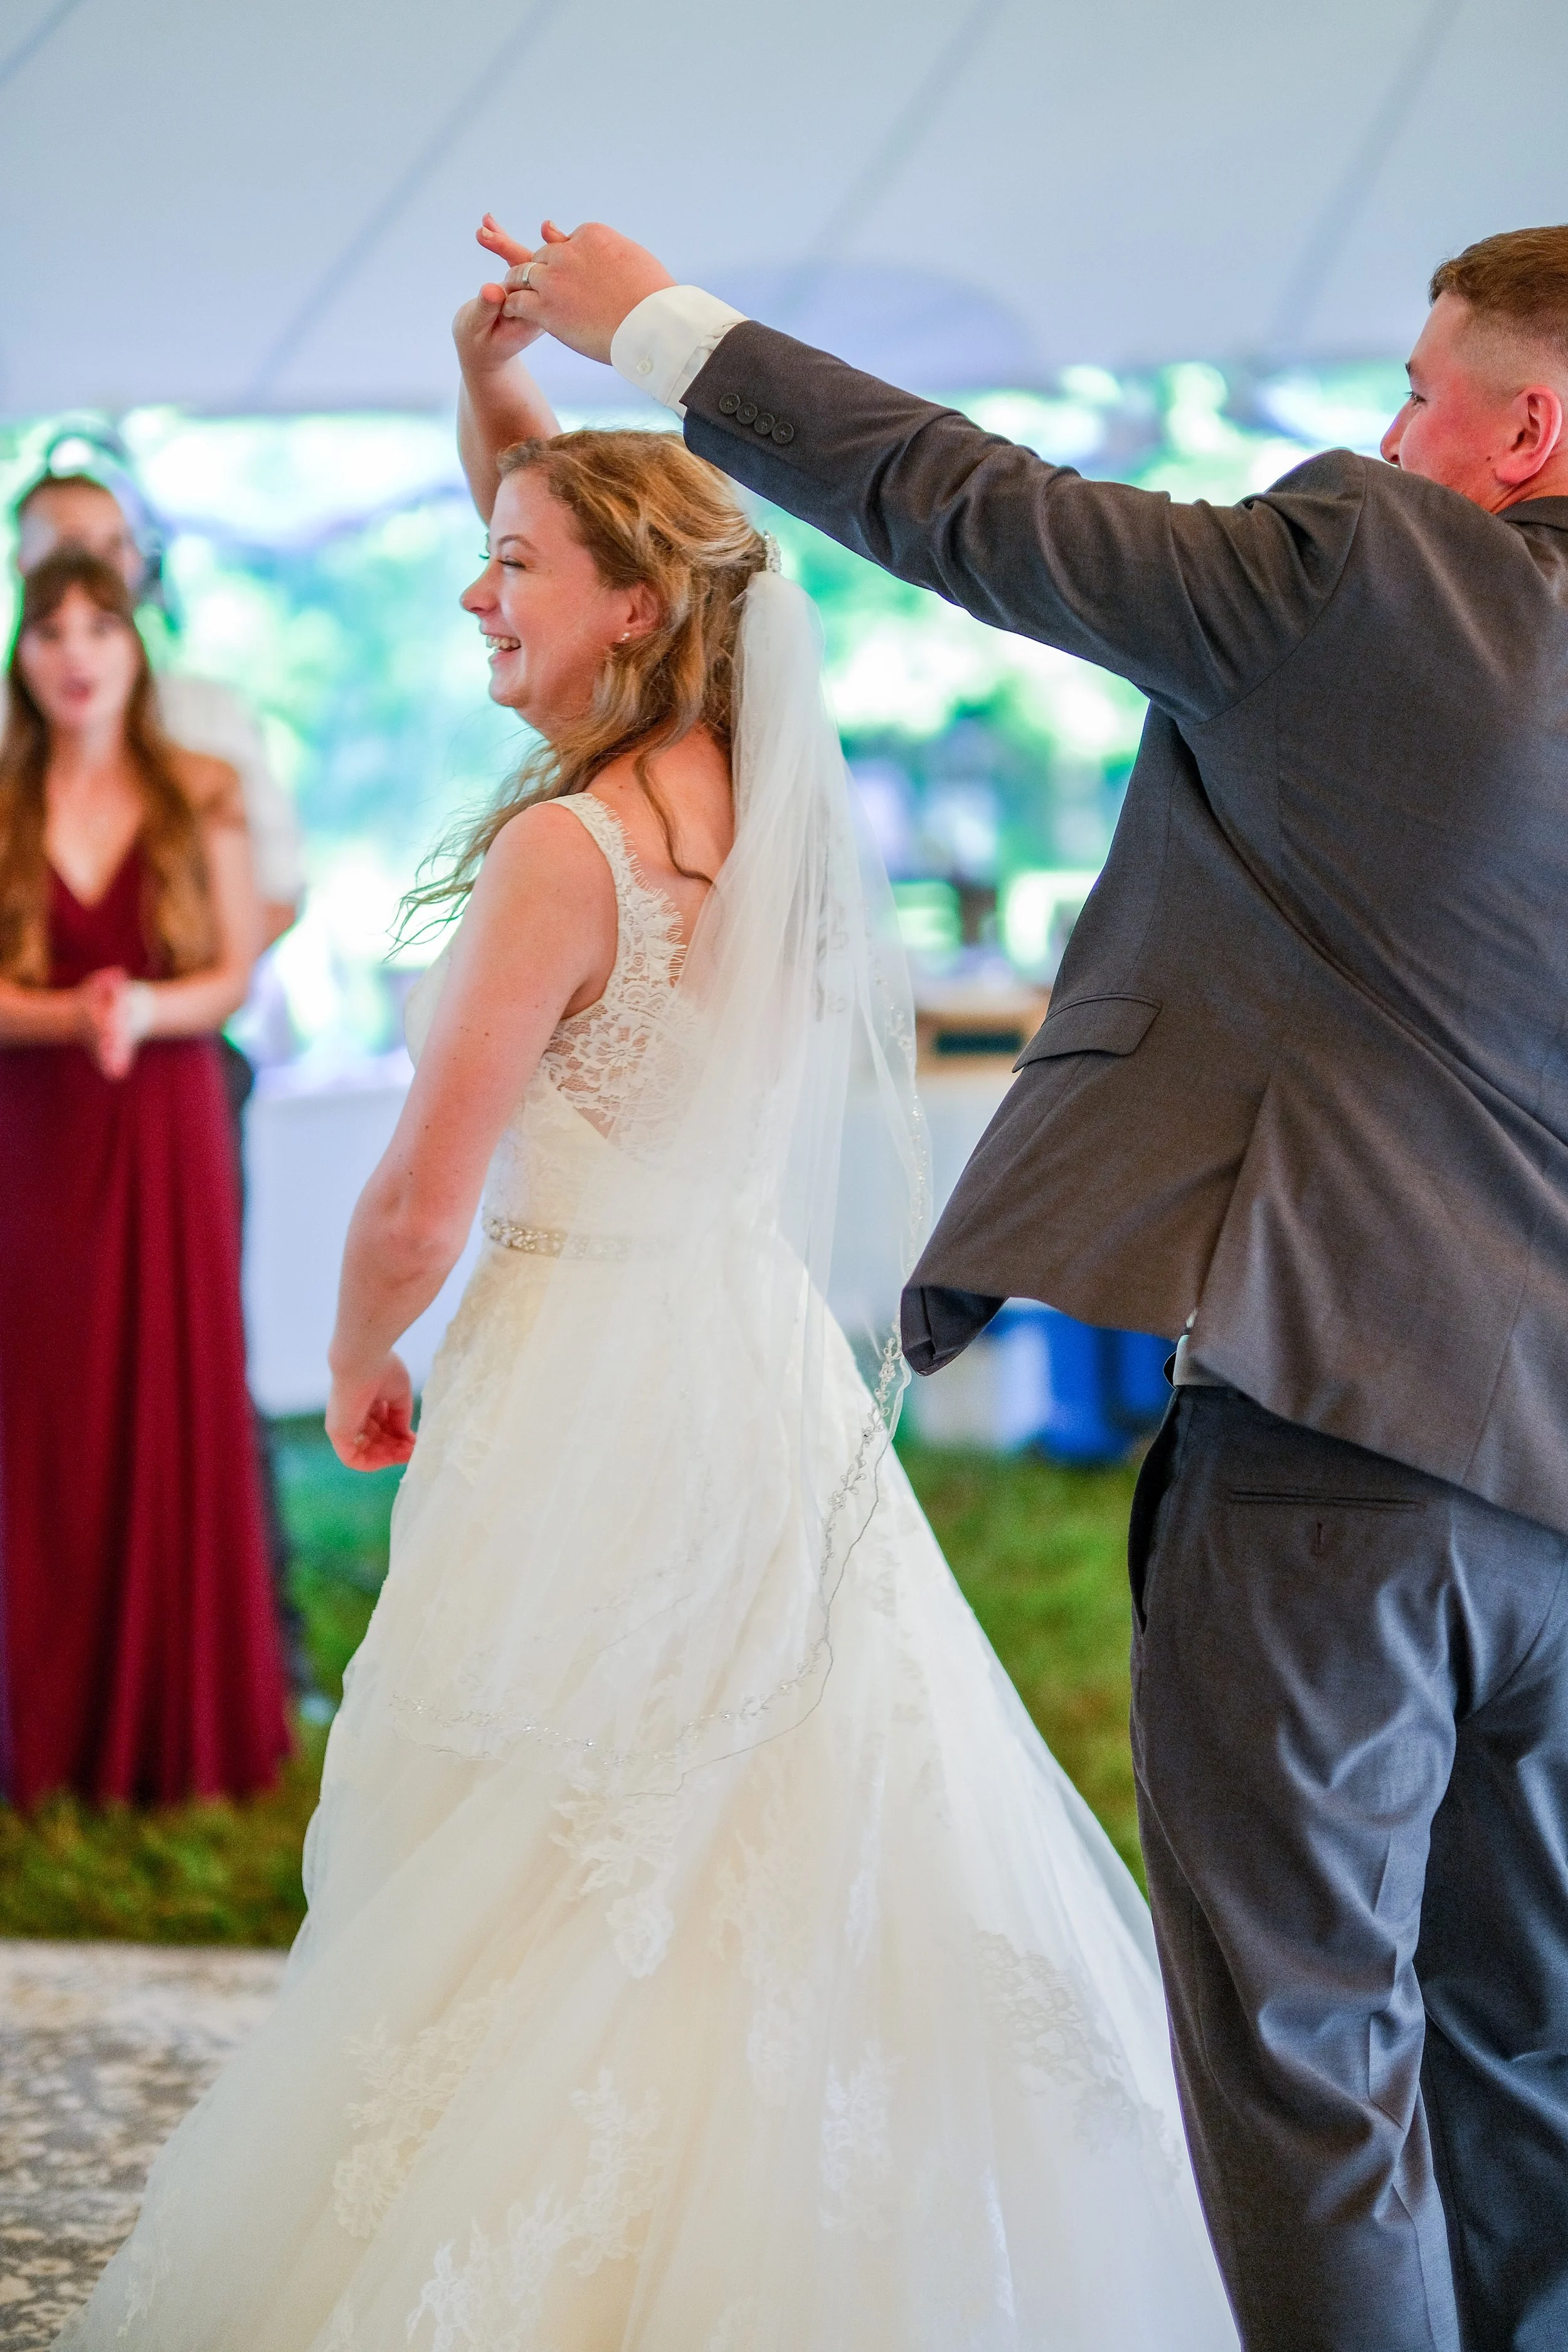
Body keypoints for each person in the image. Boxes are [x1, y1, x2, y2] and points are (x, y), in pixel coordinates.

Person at [59, 315, 1236, 2349]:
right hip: (743, 1362)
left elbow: (425, 1186)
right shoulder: (757, 809)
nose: (475, 587)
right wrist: (494, 399)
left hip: (579, 1371)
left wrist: (358, 1353)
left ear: (625, 609)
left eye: (512, 565)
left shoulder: (565, 847)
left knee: (551, 1816)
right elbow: (585, 507)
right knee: (776, 1791)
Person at [495, 217, 1568, 2350]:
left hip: (1346, 1436)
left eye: (1422, 385)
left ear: (1525, 427)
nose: (1381, 426)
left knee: (1308, 2047)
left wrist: (654, 328)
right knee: (1526, 2054)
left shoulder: (1373, 571)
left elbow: (984, 511)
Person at [11, 468, 317, 1699]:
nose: (82, 623)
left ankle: (239, 1651)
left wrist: (163, 992)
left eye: (104, 554)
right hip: (34, 1104)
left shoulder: (209, 728)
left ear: (140, 566)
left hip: (179, 1076)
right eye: (55, 561)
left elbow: (273, 905)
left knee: (192, 1362)